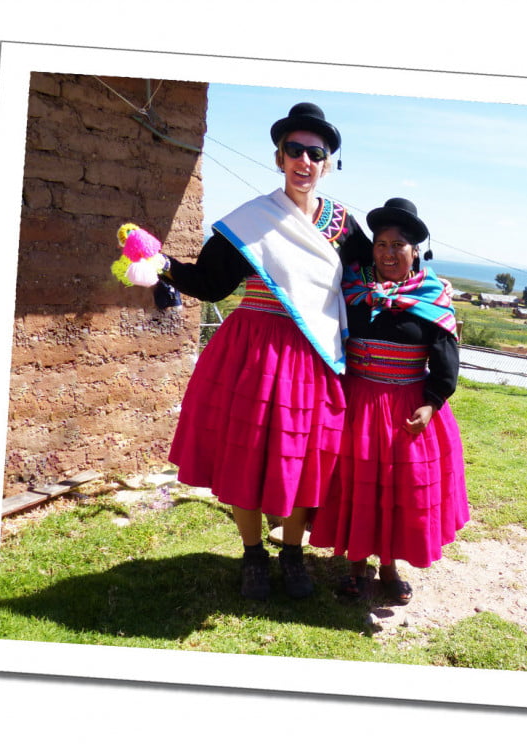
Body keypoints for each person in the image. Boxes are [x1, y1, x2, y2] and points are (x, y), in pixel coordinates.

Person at [152, 103, 373, 600]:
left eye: (316, 153)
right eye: (294, 150)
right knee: (247, 456)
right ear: (279, 157)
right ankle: (253, 555)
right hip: (254, 353)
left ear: (327, 164)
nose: (304, 160)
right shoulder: (253, 221)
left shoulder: (344, 227)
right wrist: (162, 264)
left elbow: (363, 286)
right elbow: (210, 284)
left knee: (301, 457)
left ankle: (292, 553)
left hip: (314, 357)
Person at [309, 198, 470, 605]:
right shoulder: (353, 291)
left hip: (407, 408)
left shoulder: (433, 296)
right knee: (357, 489)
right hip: (358, 405)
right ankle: (356, 568)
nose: (388, 253)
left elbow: (446, 359)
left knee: (399, 492)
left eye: (399, 245)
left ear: (416, 250)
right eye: (381, 244)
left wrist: (432, 402)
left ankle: (390, 566)